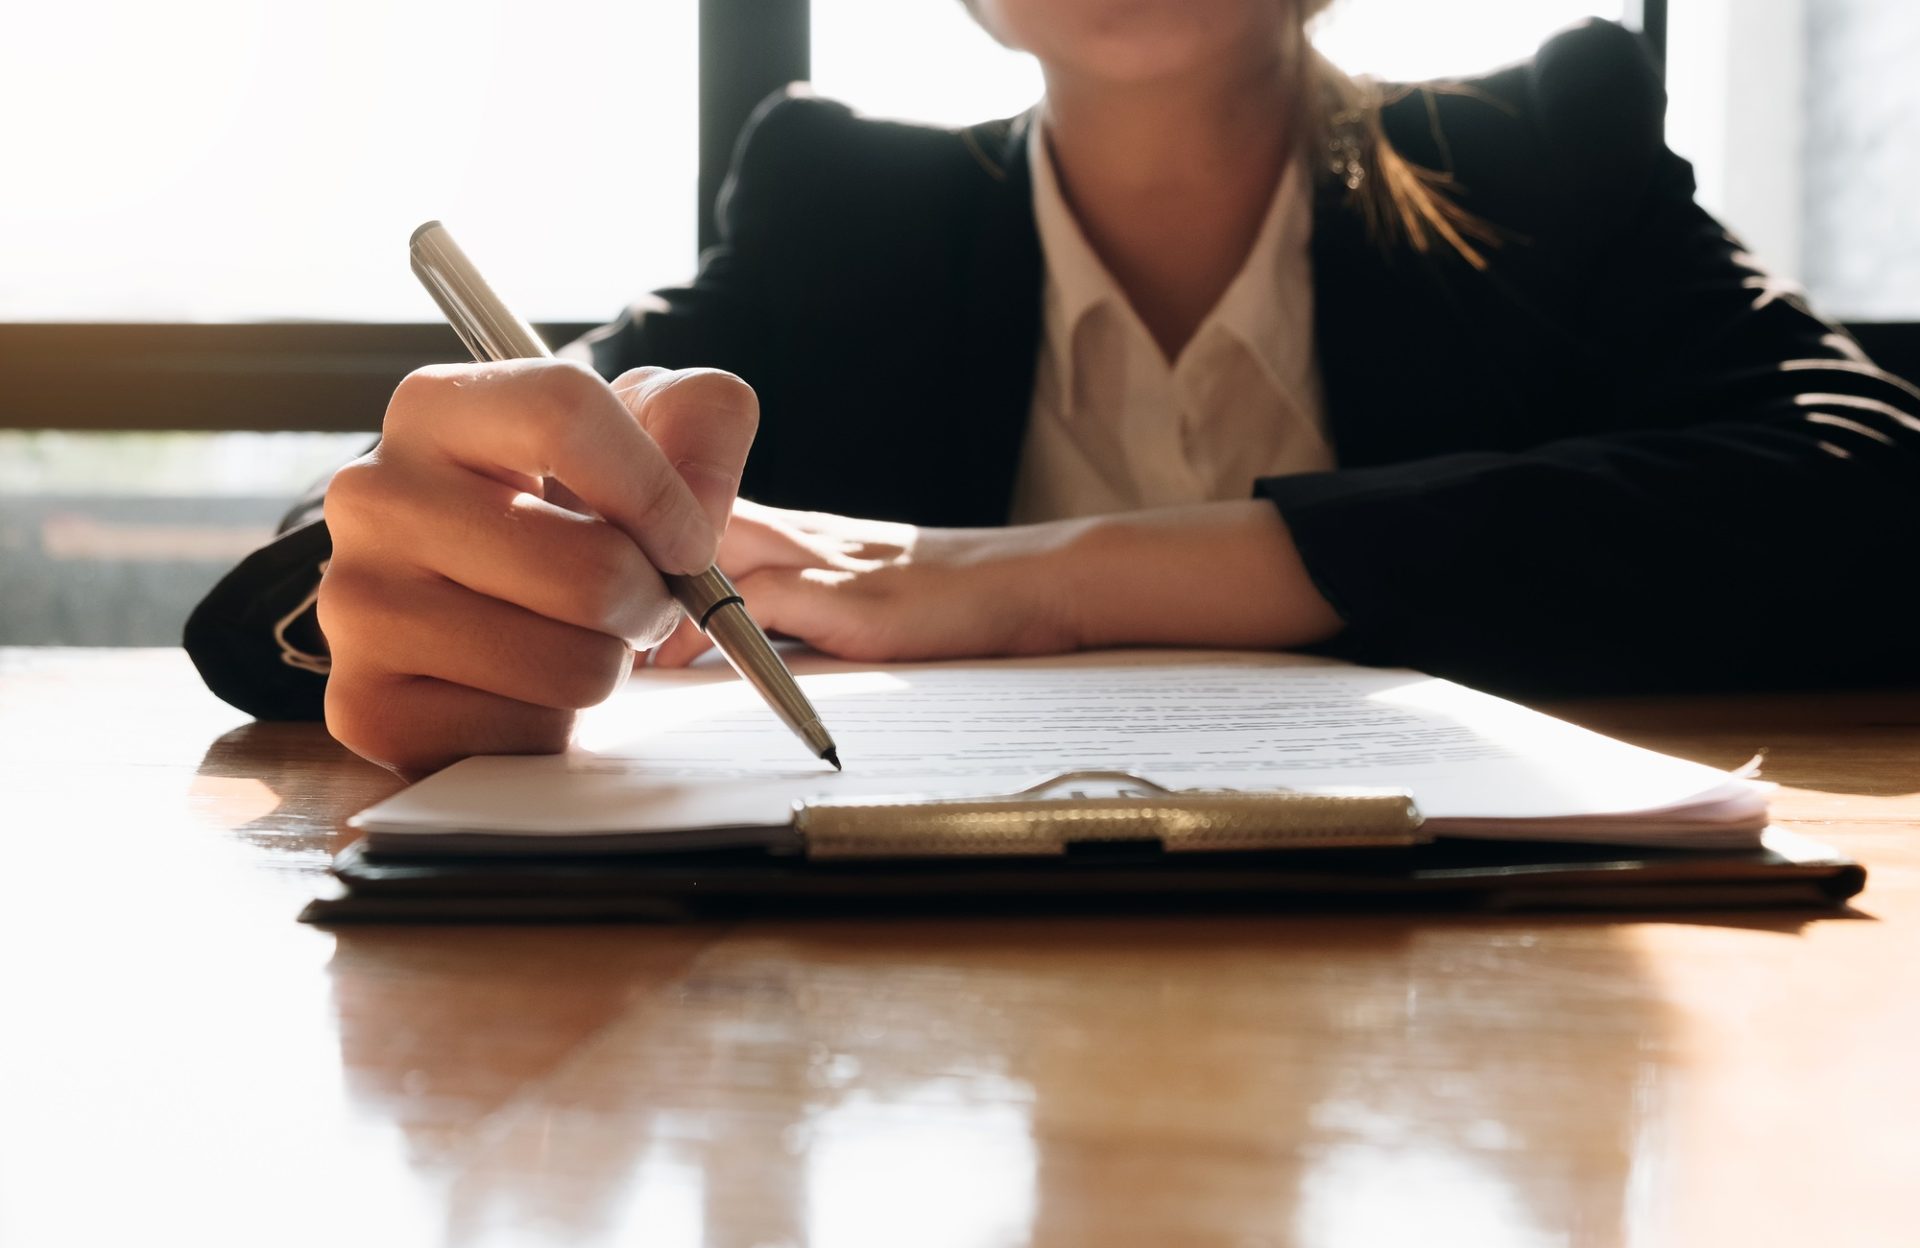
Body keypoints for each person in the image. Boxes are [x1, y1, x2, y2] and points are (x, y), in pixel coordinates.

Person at [185, 2, 1920, 780]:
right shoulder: (839, 205)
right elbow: (317, 574)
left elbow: (1872, 490)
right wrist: (425, 588)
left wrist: (1041, 580)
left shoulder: (1548, 148)